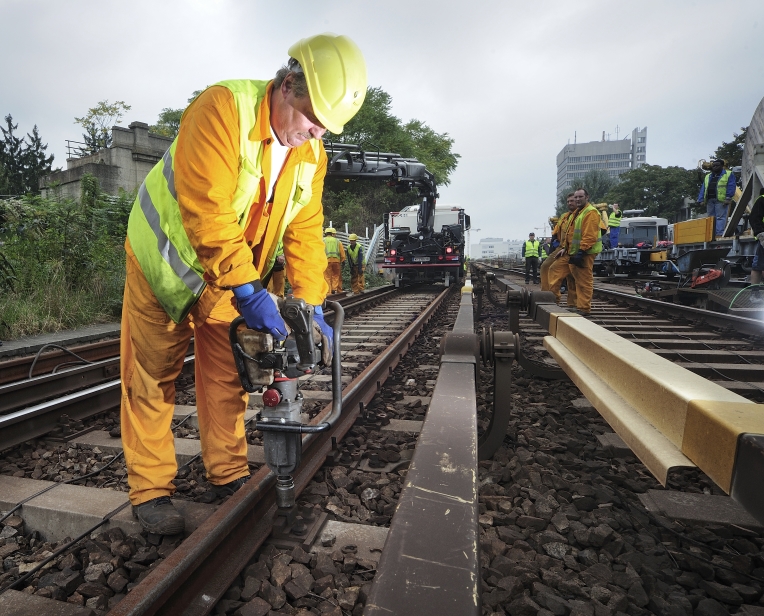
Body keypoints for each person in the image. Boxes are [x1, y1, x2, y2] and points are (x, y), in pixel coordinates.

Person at [120, 34, 367, 534]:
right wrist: (250, 290)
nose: (317, 130)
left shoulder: (311, 154)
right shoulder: (222, 110)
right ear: (287, 83)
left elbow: (304, 231)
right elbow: (207, 211)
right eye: (312, 115)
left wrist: (312, 302)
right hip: (161, 264)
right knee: (152, 378)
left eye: (326, 125)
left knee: (226, 378)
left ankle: (227, 473)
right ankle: (150, 491)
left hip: (228, 279)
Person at [548, 188, 602, 315]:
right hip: (572, 252)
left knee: (583, 280)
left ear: (587, 197)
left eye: (580, 197)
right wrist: (565, 249)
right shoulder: (577, 212)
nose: (577, 199)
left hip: (585, 253)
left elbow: (590, 236)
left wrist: (581, 252)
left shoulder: (590, 213)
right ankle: (557, 300)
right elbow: (570, 233)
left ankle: (583, 308)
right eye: (576, 197)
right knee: (557, 271)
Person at [545, 194, 577, 306]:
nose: (570, 203)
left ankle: (576, 304)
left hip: (578, 250)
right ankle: (549, 297)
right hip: (564, 249)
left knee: (574, 278)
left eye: (572, 201)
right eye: (568, 201)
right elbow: (557, 233)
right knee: (549, 267)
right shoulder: (565, 216)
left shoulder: (585, 214)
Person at [698, 159, 736, 238]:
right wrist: (701, 199)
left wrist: (728, 197)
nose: (715, 167)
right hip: (710, 200)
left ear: (722, 166)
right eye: (714, 166)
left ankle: (719, 234)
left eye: (717, 166)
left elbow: (731, 186)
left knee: (720, 217)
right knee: (711, 218)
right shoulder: (708, 176)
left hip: (721, 200)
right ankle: (712, 234)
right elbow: (704, 188)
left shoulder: (728, 174)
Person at [748, 188, 764, 298]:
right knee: (758, 266)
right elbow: (754, 218)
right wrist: (761, 235)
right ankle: (754, 293)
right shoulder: (762, 200)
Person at [323, 227, 346, 293]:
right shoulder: (337, 241)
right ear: (332, 234)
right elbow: (342, 252)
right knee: (336, 275)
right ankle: (334, 289)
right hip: (336, 261)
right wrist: (343, 260)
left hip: (326, 261)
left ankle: (328, 292)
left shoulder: (322, 241)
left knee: (327, 277)